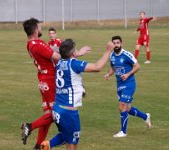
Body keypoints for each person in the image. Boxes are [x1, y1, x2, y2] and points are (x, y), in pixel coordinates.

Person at [22, 18, 90, 150]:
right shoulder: (38, 44)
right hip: (50, 80)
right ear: (35, 29)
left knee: (49, 114)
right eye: (39, 27)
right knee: (55, 114)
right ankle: (30, 126)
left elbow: (51, 51)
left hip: (43, 79)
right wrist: (77, 54)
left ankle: (38, 146)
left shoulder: (30, 44)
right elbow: (58, 57)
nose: (41, 29)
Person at [40, 39, 114, 150]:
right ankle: (47, 145)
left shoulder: (59, 63)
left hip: (58, 108)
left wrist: (78, 53)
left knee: (67, 138)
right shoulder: (74, 64)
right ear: (73, 53)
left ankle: (48, 144)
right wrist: (108, 51)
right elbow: (97, 67)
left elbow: (67, 60)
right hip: (68, 112)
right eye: (75, 50)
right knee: (72, 144)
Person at [104, 36, 151, 138]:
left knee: (121, 106)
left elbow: (137, 66)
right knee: (128, 109)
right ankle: (145, 116)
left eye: (118, 43)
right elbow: (113, 68)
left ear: (121, 43)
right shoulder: (112, 55)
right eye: (114, 43)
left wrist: (128, 74)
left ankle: (123, 132)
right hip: (119, 85)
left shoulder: (127, 54)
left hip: (129, 84)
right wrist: (108, 74)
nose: (116, 45)